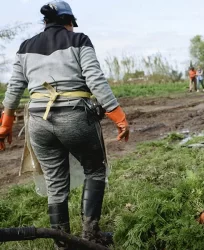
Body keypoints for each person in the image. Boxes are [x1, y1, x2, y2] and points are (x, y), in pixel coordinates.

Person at [0, 1, 130, 249]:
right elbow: (95, 80)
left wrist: (5, 126)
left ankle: (63, 243)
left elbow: (14, 89)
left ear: (46, 22)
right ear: (68, 22)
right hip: (74, 116)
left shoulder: (25, 47)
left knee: (55, 181)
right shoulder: (79, 40)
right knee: (94, 170)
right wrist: (119, 117)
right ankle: (90, 236)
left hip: (38, 120)